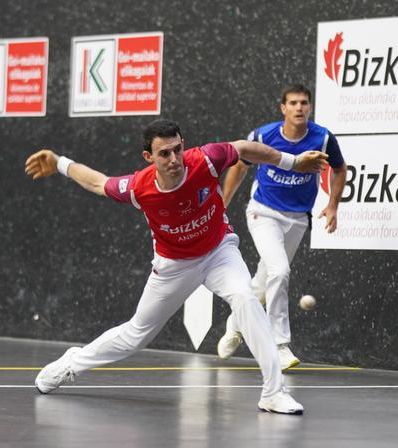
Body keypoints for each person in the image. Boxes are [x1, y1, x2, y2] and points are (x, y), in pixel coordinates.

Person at [24, 119, 329, 414]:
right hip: (174, 266)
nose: (174, 159)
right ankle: (70, 364)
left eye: (177, 149)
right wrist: (59, 162)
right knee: (136, 335)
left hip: (219, 251)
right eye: (164, 153)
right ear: (149, 157)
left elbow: (245, 149)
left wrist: (293, 162)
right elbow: (99, 182)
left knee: (246, 299)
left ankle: (274, 393)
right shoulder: (138, 188)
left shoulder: (206, 159)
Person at [217, 84, 346, 370]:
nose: (299, 107)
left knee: (264, 282)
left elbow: (340, 168)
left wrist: (334, 204)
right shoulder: (264, 136)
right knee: (280, 271)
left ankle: (234, 324)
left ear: (310, 108)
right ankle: (279, 344)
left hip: (298, 218)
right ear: (283, 108)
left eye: (304, 103)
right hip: (263, 212)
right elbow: (239, 166)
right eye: (293, 103)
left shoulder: (323, 138)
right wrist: (222, 203)